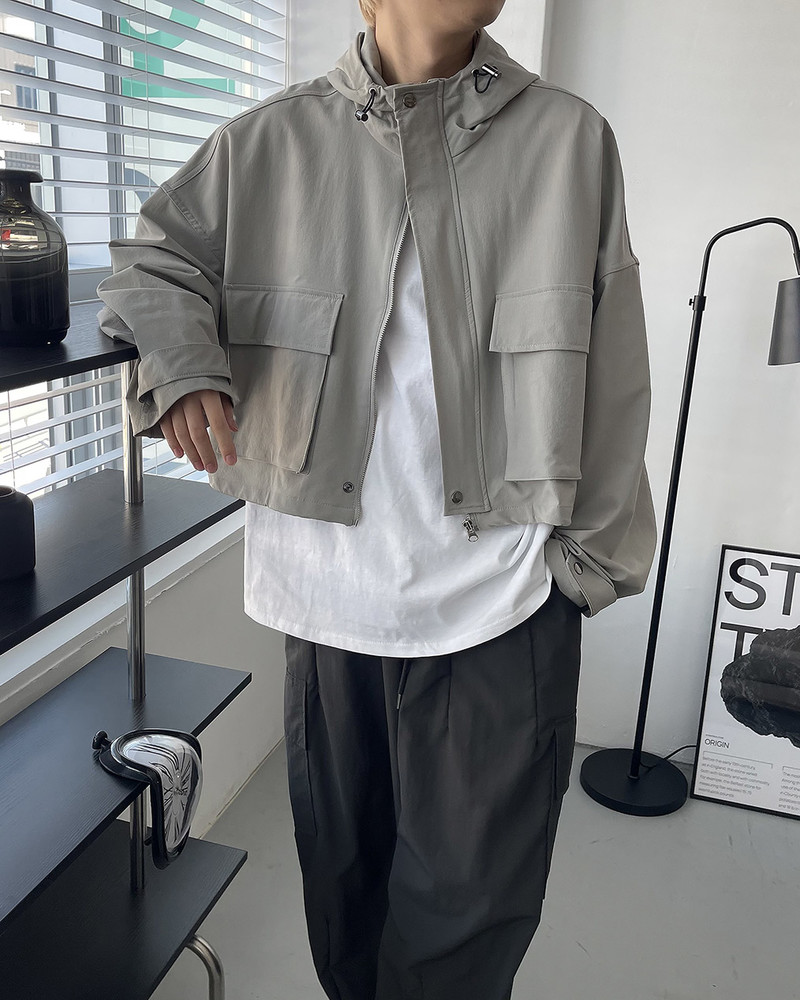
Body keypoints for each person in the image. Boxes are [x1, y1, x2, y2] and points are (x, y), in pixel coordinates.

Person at [97, 1, 658, 997]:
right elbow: (152, 260)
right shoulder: (267, 142)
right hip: (324, 603)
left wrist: (587, 566)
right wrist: (181, 364)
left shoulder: (570, 140)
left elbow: (614, 366)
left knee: (469, 917)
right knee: (344, 896)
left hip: (504, 601)